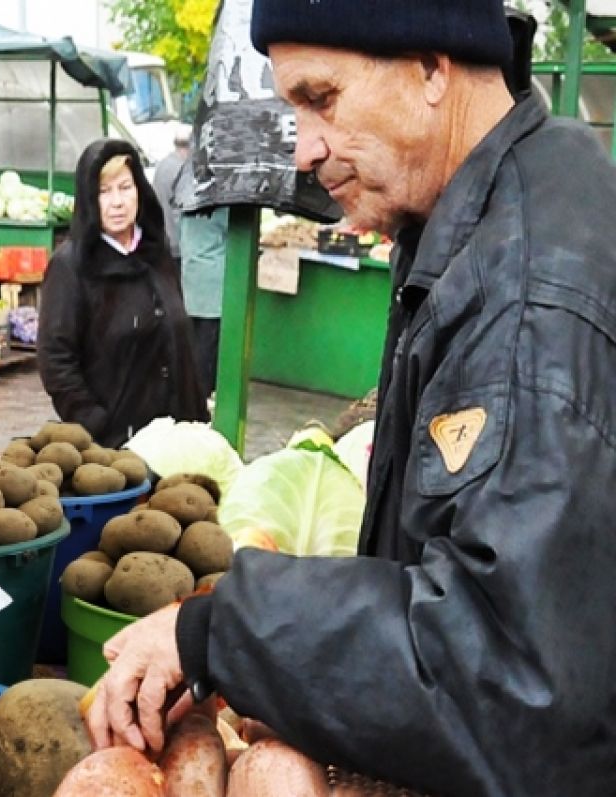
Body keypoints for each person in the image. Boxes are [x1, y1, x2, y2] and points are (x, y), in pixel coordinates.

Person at [85, 1, 616, 795]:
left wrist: (223, 632)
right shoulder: (510, 193)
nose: (302, 150)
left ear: (432, 67)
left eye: (320, 98)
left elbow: (510, 674)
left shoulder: (528, 293)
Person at [37, 139, 207, 448]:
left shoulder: (156, 254)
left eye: (125, 187)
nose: (117, 202)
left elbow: (178, 336)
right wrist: (95, 422)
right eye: (104, 191)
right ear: (89, 199)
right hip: (116, 449)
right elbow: (55, 359)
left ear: (140, 190)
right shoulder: (71, 267)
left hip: (177, 443)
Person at [179, 201, 228, 401]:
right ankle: (203, 397)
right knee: (208, 347)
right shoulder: (223, 209)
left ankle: (190, 394)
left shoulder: (188, 203)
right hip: (213, 282)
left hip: (191, 275)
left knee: (193, 344)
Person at [151, 125, 192, 273]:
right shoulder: (183, 170)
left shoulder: (162, 165)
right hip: (178, 245)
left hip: (163, 240)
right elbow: (182, 212)